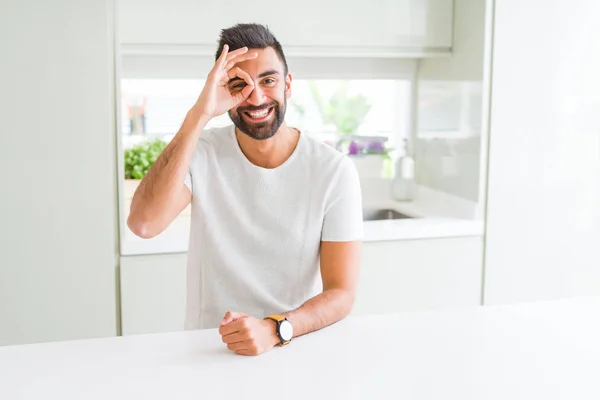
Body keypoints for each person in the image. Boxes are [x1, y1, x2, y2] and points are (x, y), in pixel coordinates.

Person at [127, 23, 363, 356]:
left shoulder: (333, 171)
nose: (256, 97)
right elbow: (144, 224)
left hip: (290, 344)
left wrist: (274, 328)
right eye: (240, 85)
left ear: (288, 84)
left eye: (268, 80)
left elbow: (341, 293)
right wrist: (200, 114)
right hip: (206, 349)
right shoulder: (203, 151)